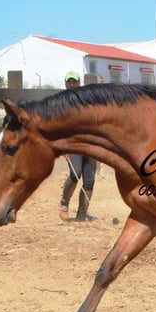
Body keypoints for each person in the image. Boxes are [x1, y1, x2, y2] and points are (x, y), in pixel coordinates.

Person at [59, 71, 97, 221]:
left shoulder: (87, 102)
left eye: (74, 81)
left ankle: (82, 213)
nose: (72, 84)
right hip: (73, 145)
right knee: (75, 174)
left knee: (89, 180)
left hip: (90, 145)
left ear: (79, 82)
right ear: (65, 84)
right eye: (69, 82)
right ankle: (64, 204)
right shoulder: (62, 103)